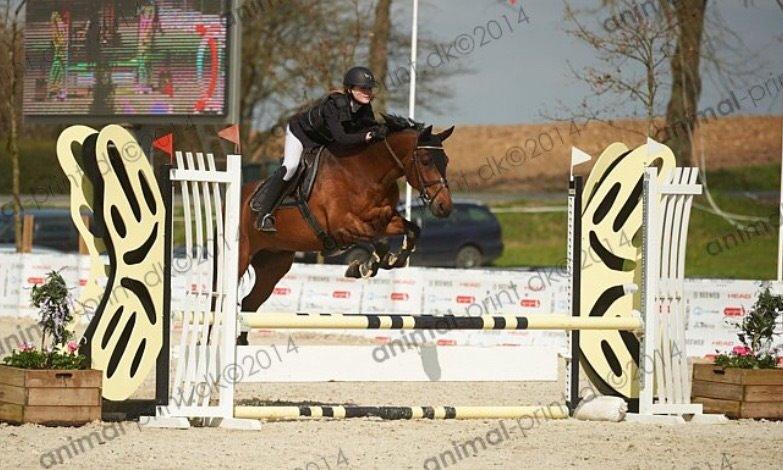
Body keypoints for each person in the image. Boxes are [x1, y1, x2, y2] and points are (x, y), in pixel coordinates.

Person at [255, 66, 388, 232]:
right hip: (301, 135)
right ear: (350, 89)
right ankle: (264, 214)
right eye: (362, 88)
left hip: (324, 140)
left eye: (369, 88)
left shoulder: (365, 108)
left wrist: (381, 130)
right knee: (291, 166)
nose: (367, 92)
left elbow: (368, 127)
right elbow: (342, 138)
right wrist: (366, 136)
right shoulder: (334, 105)